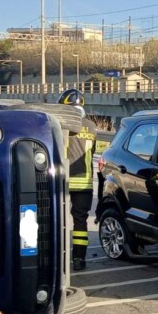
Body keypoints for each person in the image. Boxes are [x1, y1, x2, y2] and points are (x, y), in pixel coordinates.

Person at [59, 89, 100, 271]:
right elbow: (92, 152)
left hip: (62, 179)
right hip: (84, 182)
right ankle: (79, 259)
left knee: (57, 220)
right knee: (80, 222)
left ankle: (56, 259)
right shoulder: (91, 127)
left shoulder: (60, 125)